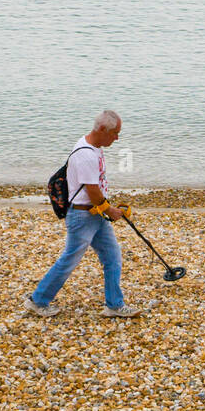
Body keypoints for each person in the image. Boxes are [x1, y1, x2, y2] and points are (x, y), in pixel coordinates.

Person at [25, 110, 141, 318]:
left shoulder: (94, 148)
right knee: (69, 260)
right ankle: (38, 300)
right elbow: (93, 192)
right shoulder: (86, 155)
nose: (117, 138)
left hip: (95, 215)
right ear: (102, 129)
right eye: (115, 133)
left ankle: (114, 305)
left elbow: (96, 192)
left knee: (112, 257)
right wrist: (111, 211)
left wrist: (106, 210)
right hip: (83, 216)